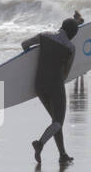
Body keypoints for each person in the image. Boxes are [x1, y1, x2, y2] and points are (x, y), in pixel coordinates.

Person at [22, 18, 78, 164]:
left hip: (39, 85)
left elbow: (25, 45)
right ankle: (39, 144)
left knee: (55, 123)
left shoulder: (44, 36)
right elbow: (66, 73)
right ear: (73, 34)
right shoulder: (70, 48)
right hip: (55, 86)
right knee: (58, 121)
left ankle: (63, 155)